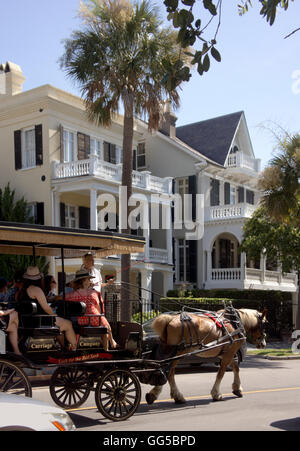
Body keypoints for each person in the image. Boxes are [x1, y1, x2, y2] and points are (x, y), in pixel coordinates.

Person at [17, 266, 77, 351]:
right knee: (68, 323)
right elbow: (46, 308)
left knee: (59, 327)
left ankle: (64, 349)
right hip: (39, 321)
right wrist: (54, 315)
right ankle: (74, 350)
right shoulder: (36, 289)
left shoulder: (22, 291)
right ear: (38, 279)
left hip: (27, 321)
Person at [66, 269, 117, 351]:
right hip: (93, 319)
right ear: (83, 281)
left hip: (80, 320)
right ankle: (108, 347)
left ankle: (73, 347)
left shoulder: (71, 294)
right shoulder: (93, 293)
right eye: (88, 279)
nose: (90, 281)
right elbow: (98, 309)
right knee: (105, 325)